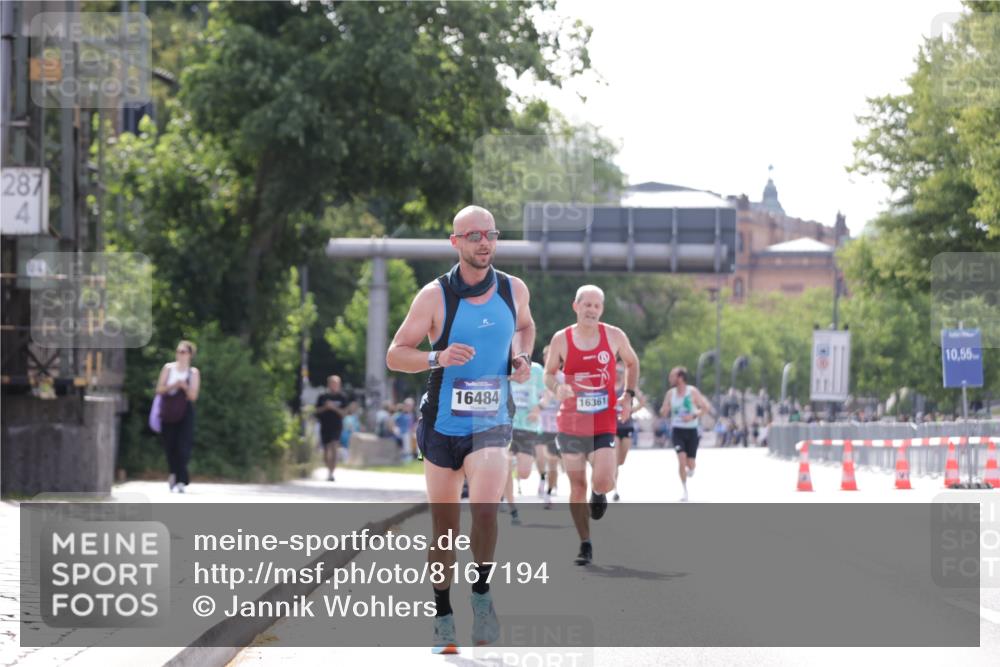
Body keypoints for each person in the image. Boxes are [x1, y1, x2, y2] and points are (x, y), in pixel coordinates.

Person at [386, 205, 534, 654]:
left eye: (490, 234)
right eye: (473, 235)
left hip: (491, 421)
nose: (484, 242)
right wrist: (438, 357)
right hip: (442, 425)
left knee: (486, 511)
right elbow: (396, 354)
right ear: (456, 242)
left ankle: (483, 595)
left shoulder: (513, 289)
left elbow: (525, 328)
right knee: (445, 532)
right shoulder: (434, 297)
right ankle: (442, 613)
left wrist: (521, 357)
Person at [544, 285, 639, 566]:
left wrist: (627, 395)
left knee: (604, 479)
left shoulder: (614, 336)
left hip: (602, 420)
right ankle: (585, 543)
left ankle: (598, 494)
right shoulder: (562, 339)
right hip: (571, 423)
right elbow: (549, 374)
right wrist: (556, 389)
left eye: (597, 306)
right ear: (576, 306)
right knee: (576, 484)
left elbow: (632, 364)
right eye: (586, 304)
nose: (591, 310)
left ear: (602, 310)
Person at [503, 355, 547, 524]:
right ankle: (512, 509)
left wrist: (539, 407)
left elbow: (547, 394)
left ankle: (511, 465)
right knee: (506, 466)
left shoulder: (536, 370)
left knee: (524, 473)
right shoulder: (504, 366)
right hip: (507, 423)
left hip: (528, 426)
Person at [660, 366, 712, 502]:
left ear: (680, 378)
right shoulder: (670, 394)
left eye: (673, 376)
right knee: (681, 460)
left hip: (692, 430)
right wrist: (664, 410)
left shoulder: (692, 392)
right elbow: (664, 411)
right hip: (677, 430)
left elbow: (706, 408)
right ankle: (685, 490)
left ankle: (692, 468)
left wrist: (693, 415)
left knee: (691, 463)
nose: (670, 379)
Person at [155, 340, 201, 493]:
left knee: (183, 446)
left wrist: (184, 386)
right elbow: (159, 389)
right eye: (179, 351)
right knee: (170, 445)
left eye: (184, 352)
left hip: (185, 411)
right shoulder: (168, 368)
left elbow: (193, 396)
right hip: (168, 410)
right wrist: (174, 385)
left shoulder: (193, 372)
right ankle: (173, 473)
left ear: (190, 354)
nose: (180, 354)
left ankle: (182, 479)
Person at [537, 345, 563, 509]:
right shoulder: (537, 375)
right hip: (539, 425)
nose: (549, 359)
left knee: (552, 462)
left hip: (557, 426)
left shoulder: (563, 378)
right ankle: (541, 477)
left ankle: (548, 492)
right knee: (541, 458)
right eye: (547, 356)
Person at [315, 375, 348, 481]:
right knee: (326, 451)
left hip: (337, 426)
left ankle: (331, 473)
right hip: (325, 426)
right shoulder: (322, 397)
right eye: (332, 383)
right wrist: (325, 407)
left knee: (334, 447)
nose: (334, 386)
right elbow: (316, 411)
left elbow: (344, 413)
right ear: (329, 384)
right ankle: (328, 469)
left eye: (337, 384)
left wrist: (333, 408)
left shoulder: (342, 397)